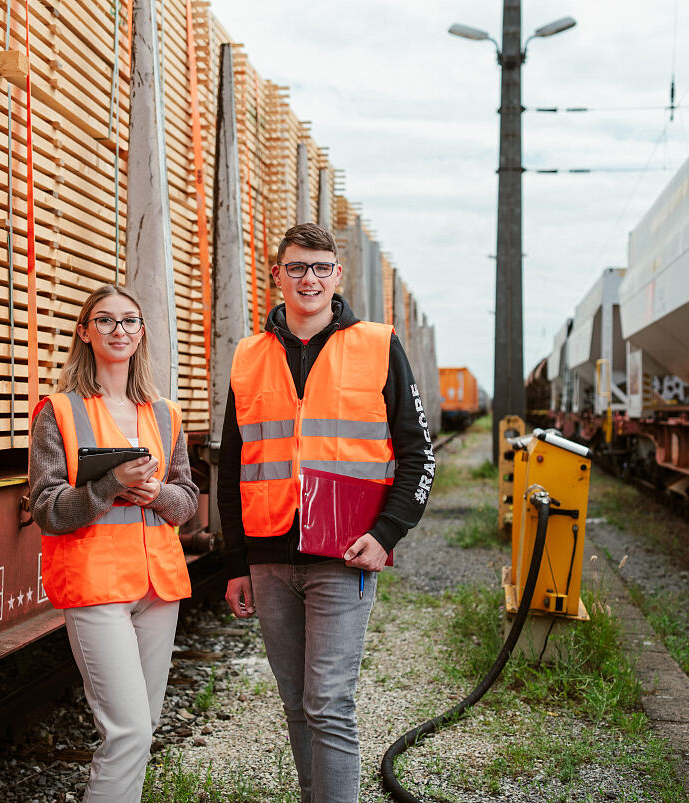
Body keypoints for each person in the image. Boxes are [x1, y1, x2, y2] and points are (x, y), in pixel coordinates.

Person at [219, 223, 434, 802]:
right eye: (296, 268)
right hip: (268, 558)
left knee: (328, 703)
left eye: (319, 267)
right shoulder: (248, 356)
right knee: (296, 703)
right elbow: (232, 466)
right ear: (277, 275)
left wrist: (387, 534)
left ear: (337, 275)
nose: (308, 279)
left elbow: (418, 454)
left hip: (344, 555)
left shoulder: (378, 344)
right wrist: (236, 563)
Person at [29, 284, 197, 803]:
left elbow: (188, 500)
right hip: (96, 584)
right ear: (85, 332)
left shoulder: (164, 413)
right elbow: (47, 510)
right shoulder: (58, 412)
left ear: (141, 332)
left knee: (142, 728)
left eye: (129, 321)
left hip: (157, 587)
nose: (118, 330)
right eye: (104, 321)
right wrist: (109, 485)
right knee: (127, 733)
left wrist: (157, 492)